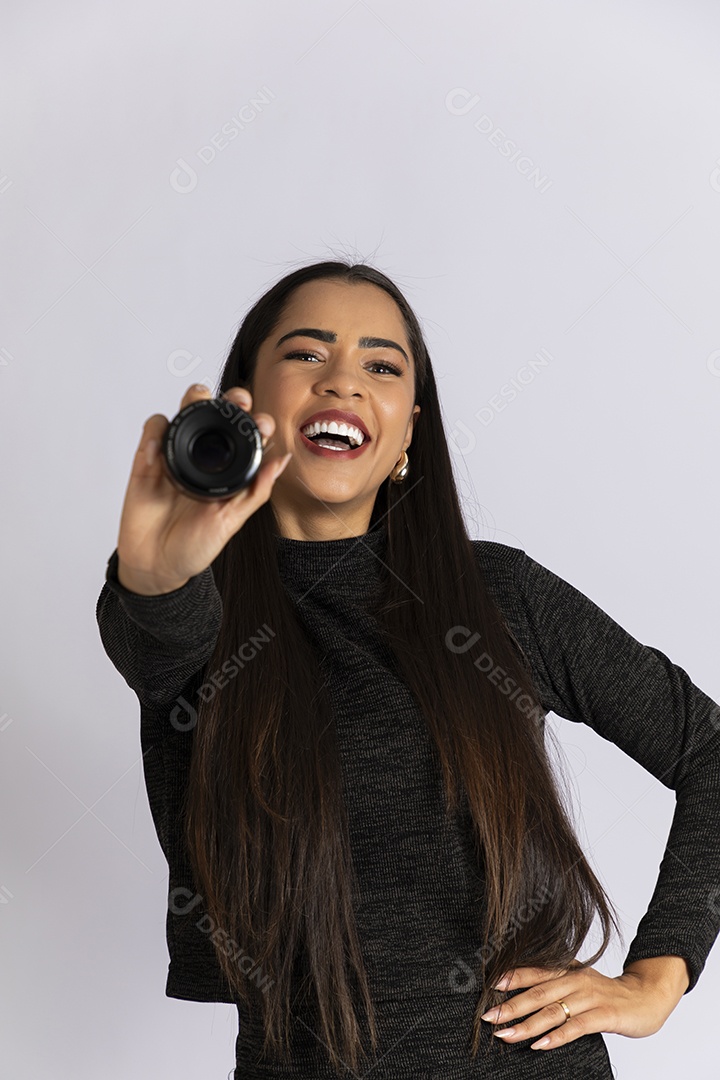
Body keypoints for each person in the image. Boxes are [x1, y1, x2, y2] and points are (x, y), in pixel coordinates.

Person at [96, 260, 720, 1079]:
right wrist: (158, 575)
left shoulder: (497, 594)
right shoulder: (188, 603)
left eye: (381, 366)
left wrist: (660, 974)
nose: (344, 381)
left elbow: (708, 749)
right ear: (244, 399)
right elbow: (156, 644)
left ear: (408, 428)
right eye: (308, 355)